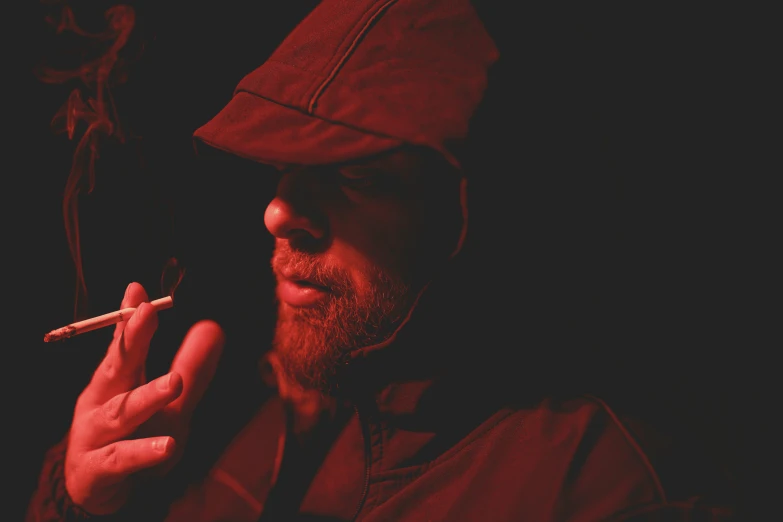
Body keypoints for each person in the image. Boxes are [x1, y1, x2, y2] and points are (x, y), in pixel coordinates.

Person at [26, 0, 736, 520]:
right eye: (284, 167)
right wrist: (83, 500)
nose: (277, 214)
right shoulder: (259, 415)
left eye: (356, 174)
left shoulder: (602, 489)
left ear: (471, 220)